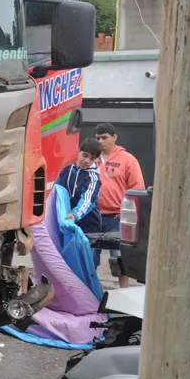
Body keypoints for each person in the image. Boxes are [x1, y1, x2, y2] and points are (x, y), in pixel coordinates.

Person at [94, 123, 145, 288]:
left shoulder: (128, 160)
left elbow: (137, 189)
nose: (100, 141)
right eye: (98, 138)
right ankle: (90, 291)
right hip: (93, 216)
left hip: (116, 217)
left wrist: (127, 213)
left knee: (119, 257)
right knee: (89, 257)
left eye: (104, 138)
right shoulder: (92, 158)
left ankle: (124, 290)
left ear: (114, 137)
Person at [57, 138, 102, 231]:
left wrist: (75, 215)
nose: (87, 161)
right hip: (64, 219)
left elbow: (87, 200)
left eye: (92, 159)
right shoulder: (65, 168)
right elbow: (55, 190)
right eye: (84, 155)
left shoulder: (93, 178)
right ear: (78, 151)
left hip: (88, 226)